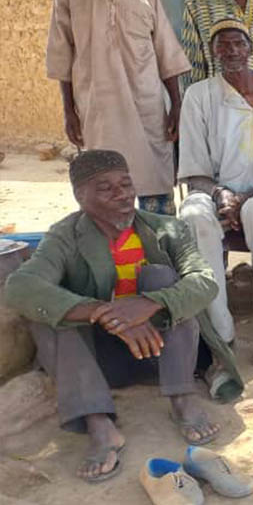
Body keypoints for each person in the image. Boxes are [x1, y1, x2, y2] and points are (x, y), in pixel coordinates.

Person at [4, 150, 239, 483]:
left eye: (126, 184)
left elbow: (204, 281)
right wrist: (102, 312)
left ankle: (182, 399)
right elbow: (21, 285)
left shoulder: (167, 229)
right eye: (106, 188)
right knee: (48, 311)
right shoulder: (64, 235)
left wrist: (149, 303)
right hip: (98, 363)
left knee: (163, 279)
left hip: (162, 353)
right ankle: (99, 423)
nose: (123, 194)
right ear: (80, 196)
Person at [177, 19, 253, 365]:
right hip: (213, 192)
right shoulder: (198, 95)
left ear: (250, 49)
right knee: (194, 218)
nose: (231, 51)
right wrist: (221, 195)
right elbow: (193, 168)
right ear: (213, 52)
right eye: (223, 45)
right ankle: (220, 331)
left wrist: (244, 198)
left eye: (238, 43)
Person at [48, 0, 191, 216]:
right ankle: (114, 258)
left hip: (148, 106)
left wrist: (176, 105)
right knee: (105, 185)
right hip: (97, 107)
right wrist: (68, 110)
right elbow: (62, 54)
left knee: (155, 184)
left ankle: (161, 254)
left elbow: (166, 53)